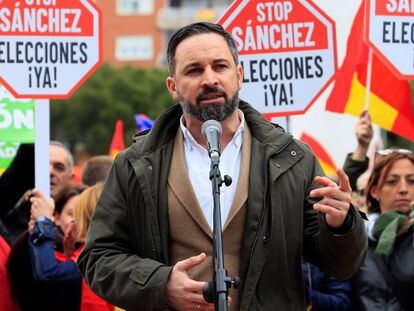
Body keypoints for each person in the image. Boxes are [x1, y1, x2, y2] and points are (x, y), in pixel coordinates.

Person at [78, 22, 367, 311]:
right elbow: (98, 258)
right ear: (173, 87)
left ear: (239, 75)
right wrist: (161, 284)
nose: (209, 79)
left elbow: (341, 265)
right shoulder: (135, 164)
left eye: (220, 66)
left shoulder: (291, 158)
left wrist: (341, 226)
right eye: (194, 70)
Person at [352, 150, 414, 310]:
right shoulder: (357, 239)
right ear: (374, 191)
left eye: (412, 181)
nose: (403, 189)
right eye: (392, 181)